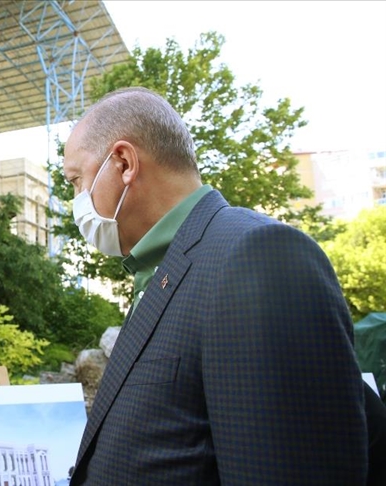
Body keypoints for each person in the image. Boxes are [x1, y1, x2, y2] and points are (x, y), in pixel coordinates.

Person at [63, 87, 371, 484]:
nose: (77, 200)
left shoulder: (258, 257)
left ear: (123, 163)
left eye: (76, 181)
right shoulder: (161, 271)